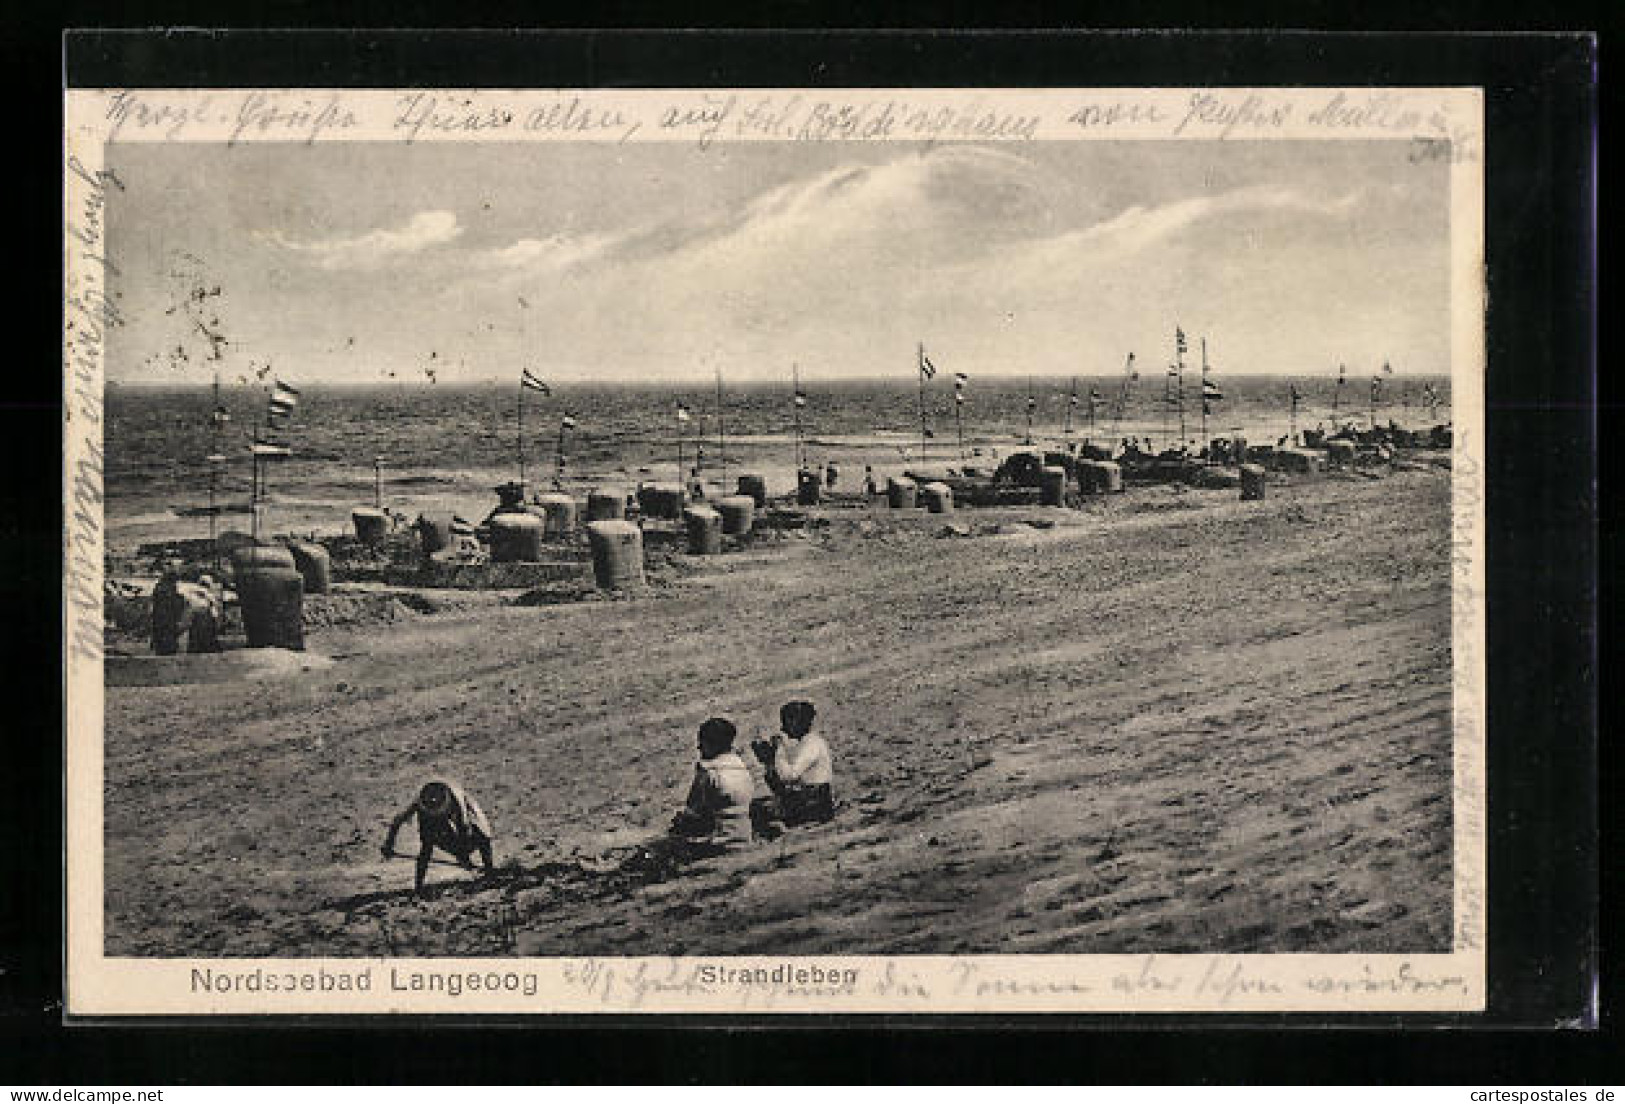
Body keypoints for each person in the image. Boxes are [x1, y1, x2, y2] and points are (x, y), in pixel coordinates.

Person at [382, 779, 495, 896]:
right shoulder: (421, 802)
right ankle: (418, 886)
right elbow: (397, 821)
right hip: (432, 814)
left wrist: (464, 857)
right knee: (427, 842)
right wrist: (388, 844)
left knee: (482, 834)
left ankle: (489, 871)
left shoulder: (457, 800)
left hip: (463, 808)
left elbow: (464, 828)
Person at [669, 717, 756, 846]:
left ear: (713, 744)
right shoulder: (739, 764)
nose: (699, 747)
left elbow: (694, 811)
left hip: (720, 840)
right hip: (744, 834)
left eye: (702, 743)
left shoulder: (708, 771)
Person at [751, 700, 835, 826]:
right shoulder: (808, 742)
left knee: (757, 810)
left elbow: (789, 776)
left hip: (814, 803)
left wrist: (778, 752)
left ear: (795, 723)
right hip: (811, 797)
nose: (782, 728)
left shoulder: (812, 744)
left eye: (785, 723)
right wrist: (769, 763)